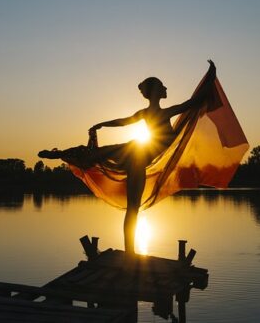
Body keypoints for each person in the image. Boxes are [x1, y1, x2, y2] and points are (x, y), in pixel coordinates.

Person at [40, 60, 216, 253]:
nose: (166, 88)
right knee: (130, 203)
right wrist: (211, 77)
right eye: (162, 86)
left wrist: (102, 124)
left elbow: (126, 122)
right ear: (156, 92)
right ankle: (59, 154)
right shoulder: (164, 112)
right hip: (137, 154)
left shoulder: (152, 113)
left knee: (128, 199)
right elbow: (191, 104)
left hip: (137, 156)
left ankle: (130, 252)